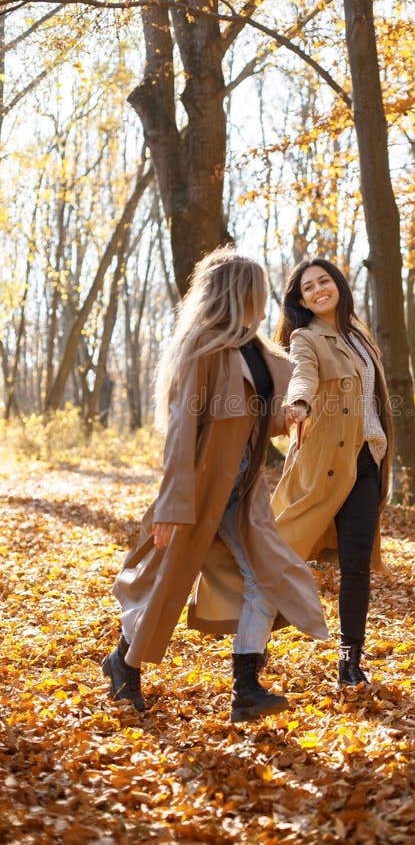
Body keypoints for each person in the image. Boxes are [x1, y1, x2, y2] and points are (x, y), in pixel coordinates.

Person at [102, 249, 328, 721]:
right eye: (258, 287)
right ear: (238, 292)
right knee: (165, 583)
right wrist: (172, 504)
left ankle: (246, 688)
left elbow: (251, 421)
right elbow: (184, 430)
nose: (265, 297)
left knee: (267, 577)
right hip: (201, 491)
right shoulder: (203, 349)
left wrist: (284, 417)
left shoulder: (259, 351)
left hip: (243, 493)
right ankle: (124, 666)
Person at [272, 258, 393, 688]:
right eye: (309, 287)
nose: (319, 289)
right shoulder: (306, 338)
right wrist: (299, 405)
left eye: (325, 281)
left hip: (365, 462)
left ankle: (349, 661)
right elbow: (302, 376)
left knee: (356, 565)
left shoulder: (360, 336)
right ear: (300, 300)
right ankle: (250, 647)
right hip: (323, 465)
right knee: (281, 553)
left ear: (338, 285)